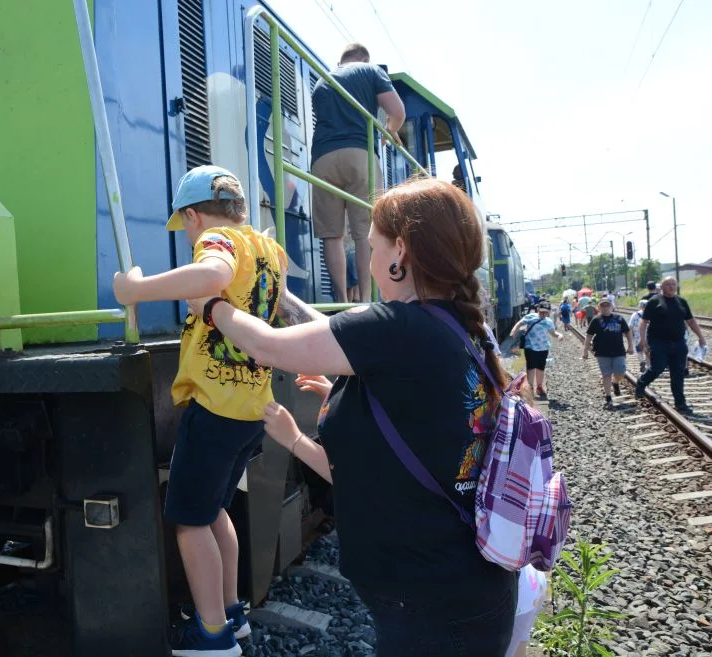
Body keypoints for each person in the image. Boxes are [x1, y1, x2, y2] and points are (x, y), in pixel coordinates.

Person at [186, 177, 518, 657]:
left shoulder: (394, 330)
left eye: (372, 246)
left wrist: (213, 305)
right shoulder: (452, 325)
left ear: (399, 251)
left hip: (432, 610)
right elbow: (342, 343)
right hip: (456, 593)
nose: (367, 259)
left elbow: (265, 346)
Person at [113, 165, 287, 656]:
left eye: (186, 226)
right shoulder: (267, 249)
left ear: (194, 216)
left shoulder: (219, 243)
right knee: (214, 512)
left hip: (216, 407)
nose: (189, 235)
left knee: (189, 519)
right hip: (251, 406)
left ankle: (212, 635)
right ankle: (231, 612)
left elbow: (214, 272)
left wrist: (136, 290)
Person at [311, 42, 405, 304]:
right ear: (364, 58)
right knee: (364, 232)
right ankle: (365, 299)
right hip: (359, 154)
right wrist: (389, 130)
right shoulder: (370, 71)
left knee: (332, 235)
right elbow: (397, 112)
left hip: (322, 160)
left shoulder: (322, 81)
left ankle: (341, 300)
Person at [635, 277, 707, 414]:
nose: (671, 287)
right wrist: (642, 339)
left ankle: (680, 403)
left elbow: (691, 321)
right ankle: (642, 382)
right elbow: (643, 322)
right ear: (661, 287)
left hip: (679, 343)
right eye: (668, 284)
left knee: (678, 373)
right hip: (658, 342)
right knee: (658, 367)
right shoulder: (654, 301)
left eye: (673, 284)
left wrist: (701, 337)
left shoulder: (681, 302)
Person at [582, 297, 633, 408]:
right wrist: (585, 350)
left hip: (619, 351)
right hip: (602, 352)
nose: (605, 307)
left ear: (611, 306)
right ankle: (608, 397)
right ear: (599, 307)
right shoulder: (596, 320)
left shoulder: (619, 318)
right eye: (603, 305)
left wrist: (630, 346)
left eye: (607, 305)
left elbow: (628, 332)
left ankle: (615, 383)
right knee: (606, 375)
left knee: (620, 372)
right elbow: (589, 336)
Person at [511, 301, 563, 398]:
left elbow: (552, 333)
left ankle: (539, 387)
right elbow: (519, 323)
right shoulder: (530, 317)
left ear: (548, 312)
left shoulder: (548, 321)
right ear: (538, 310)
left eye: (545, 312)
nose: (543, 314)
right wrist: (514, 331)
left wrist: (559, 335)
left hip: (543, 348)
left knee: (540, 368)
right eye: (541, 312)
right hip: (530, 347)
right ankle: (530, 388)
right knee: (531, 368)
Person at [629, 299, 649, 373]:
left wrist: (630, 336)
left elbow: (630, 326)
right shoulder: (651, 314)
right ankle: (648, 367)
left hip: (638, 337)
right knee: (648, 353)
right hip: (649, 337)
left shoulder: (635, 315)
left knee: (639, 351)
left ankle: (641, 361)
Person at [344, 234, 359, 301]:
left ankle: (347, 305)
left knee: (348, 286)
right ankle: (357, 300)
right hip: (355, 250)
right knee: (359, 281)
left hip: (343, 253)